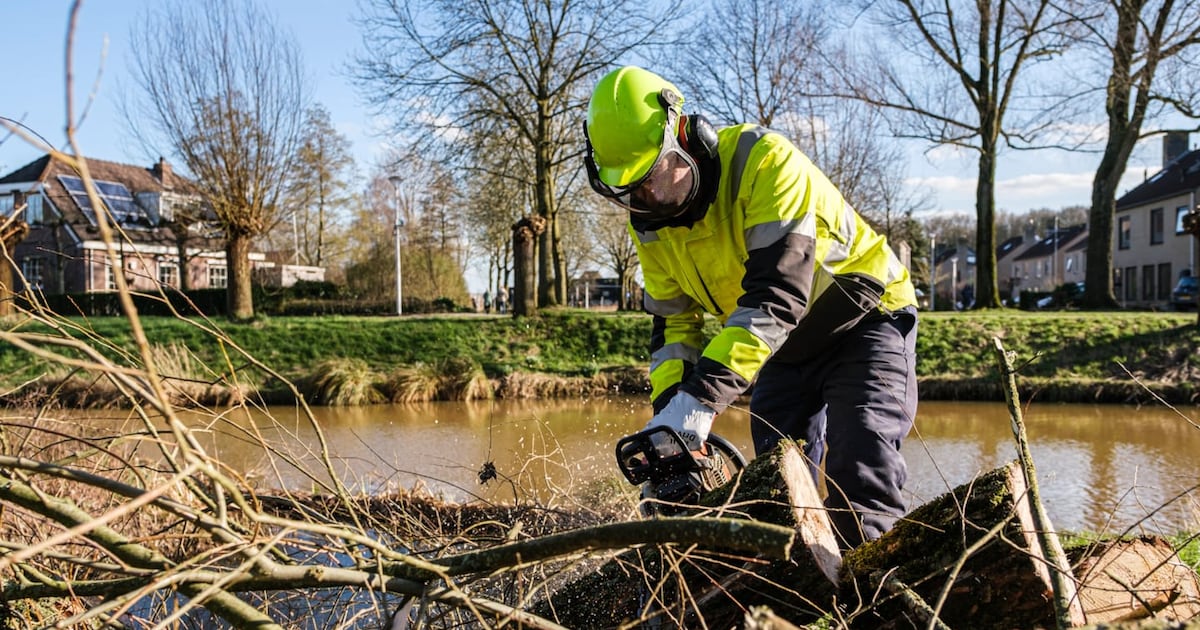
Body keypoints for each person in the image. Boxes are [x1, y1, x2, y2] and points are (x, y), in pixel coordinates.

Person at [583, 66, 919, 548]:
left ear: (686, 134)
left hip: (862, 318)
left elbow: (777, 295)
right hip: (779, 346)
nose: (647, 198)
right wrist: (670, 421)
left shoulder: (765, 162)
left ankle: (872, 599)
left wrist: (699, 401)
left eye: (653, 178)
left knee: (861, 460)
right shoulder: (649, 221)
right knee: (776, 480)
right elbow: (674, 324)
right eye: (629, 191)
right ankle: (798, 598)